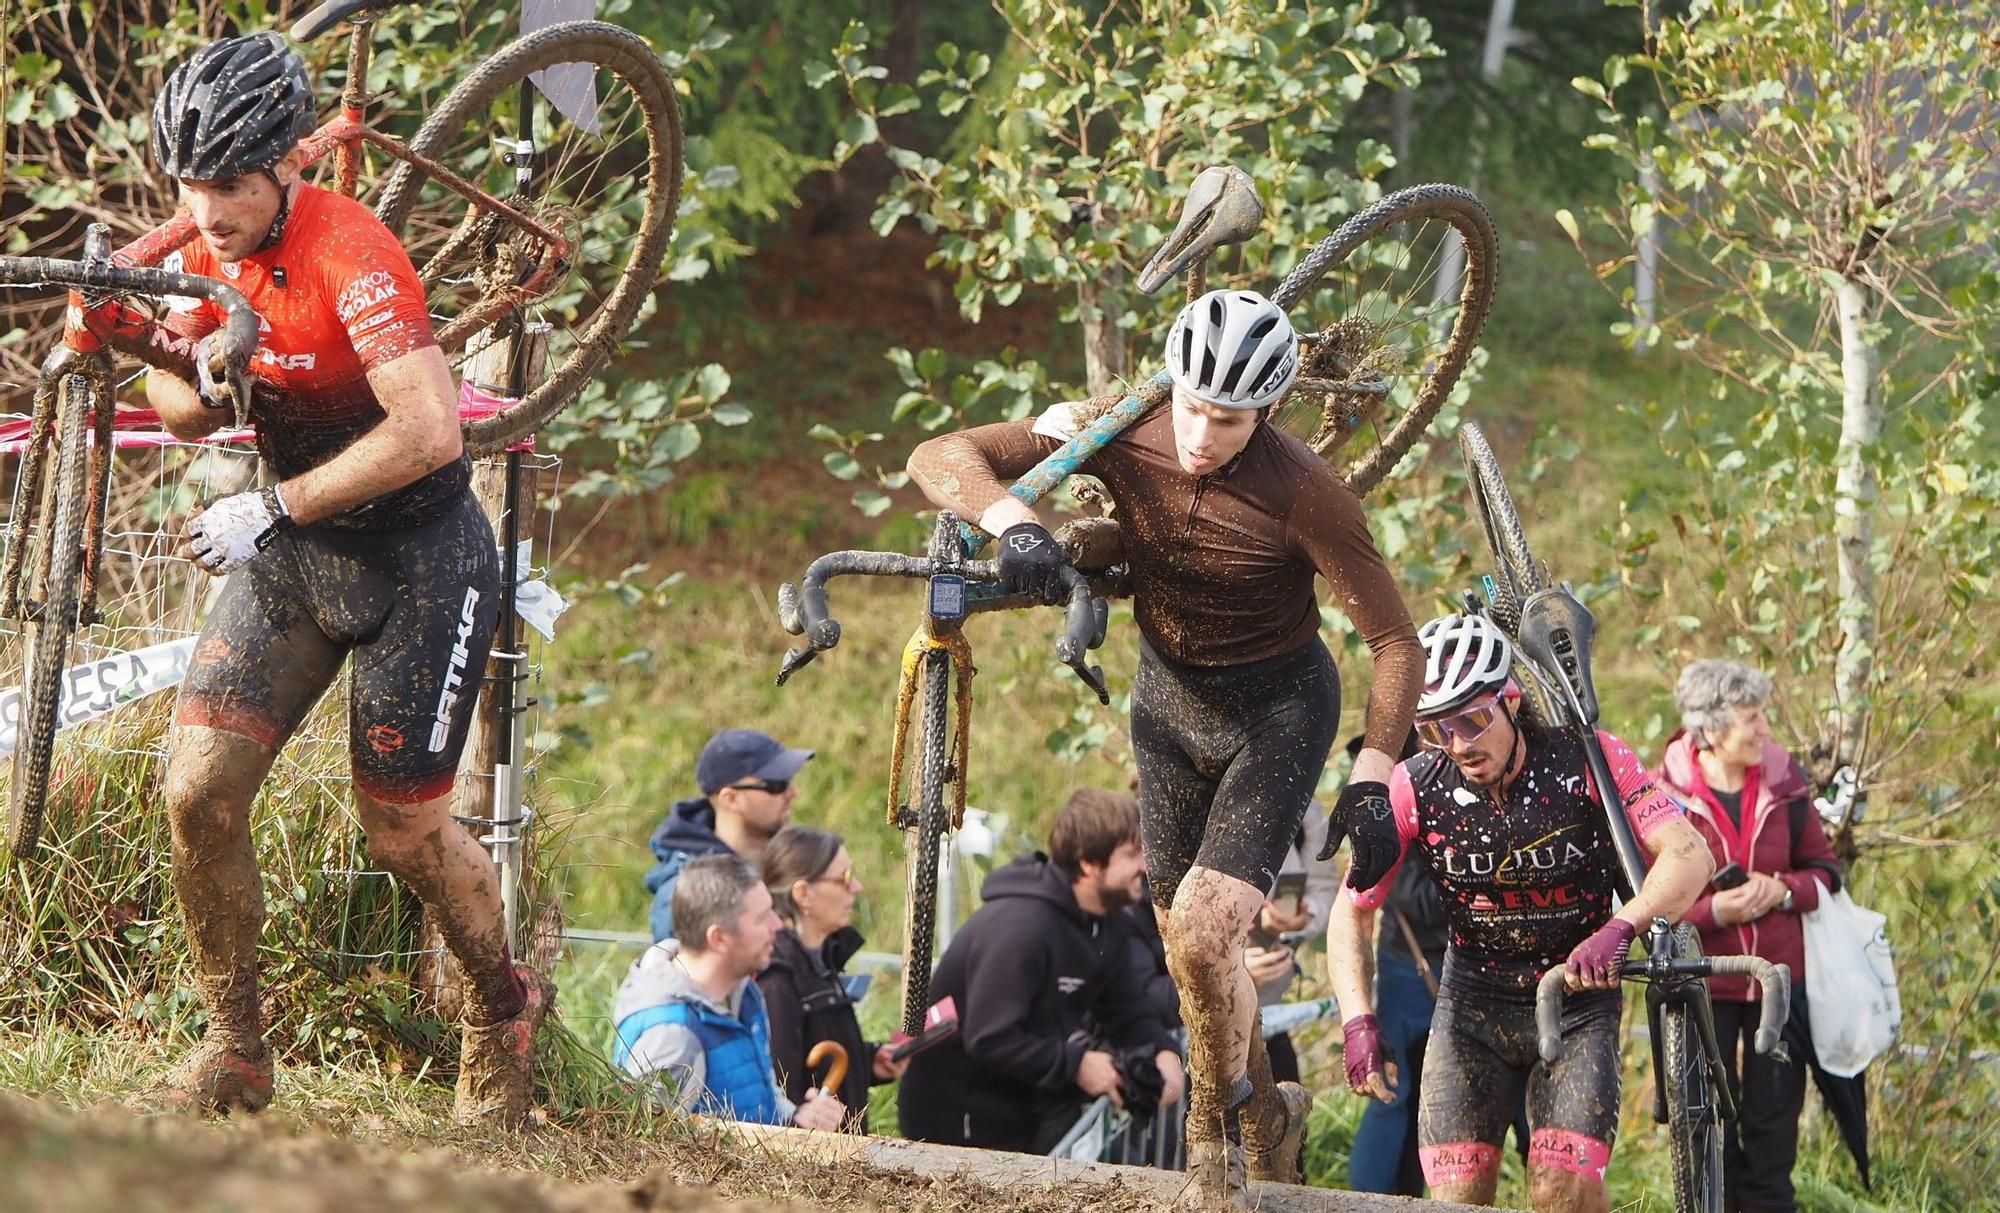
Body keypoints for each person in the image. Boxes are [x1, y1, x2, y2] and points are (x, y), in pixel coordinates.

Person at [86, 33, 545, 1123]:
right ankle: (236, 1050)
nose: (208, 213)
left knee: (402, 834)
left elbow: (431, 432)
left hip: (420, 558)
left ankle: (501, 1011)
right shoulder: (205, 248)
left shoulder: (356, 253)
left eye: (232, 186)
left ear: (287, 165)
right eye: (191, 187)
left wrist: (273, 503)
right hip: (294, 553)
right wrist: (186, 362)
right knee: (197, 794)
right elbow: (185, 415)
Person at [908, 288, 1421, 1201]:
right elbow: (940, 456)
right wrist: (1016, 524)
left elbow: (1395, 641)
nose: (1200, 434)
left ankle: (1213, 1142)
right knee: (1187, 953)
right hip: (1167, 704)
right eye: (1191, 406)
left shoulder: (1307, 490)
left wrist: (1374, 773)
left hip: (1279, 709)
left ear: (1265, 413)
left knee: (1207, 927)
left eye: (1228, 420)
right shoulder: (1121, 422)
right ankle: (1264, 1111)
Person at [1326, 613, 1715, 1213]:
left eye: (1473, 719)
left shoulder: (1587, 760)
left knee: (1561, 1192)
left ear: (1510, 700)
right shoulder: (1415, 784)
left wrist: (1622, 925)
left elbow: (1690, 856)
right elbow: (1351, 911)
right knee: (1456, 1197)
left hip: (1577, 999)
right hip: (1472, 1005)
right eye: (1436, 729)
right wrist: (1358, 1019)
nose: (1458, 743)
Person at [898, 788, 1186, 1154]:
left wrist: (1165, 1054)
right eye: (1131, 855)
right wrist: (1079, 1064)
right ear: (1089, 864)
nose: (1144, 865)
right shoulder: (1022, 928)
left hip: (1022, 1106)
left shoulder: (1104, 925)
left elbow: (1127, 1011)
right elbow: (989, 1037)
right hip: (957, 1117)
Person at [1655, 660, 1842, 1213]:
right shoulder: (1662, 795)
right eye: (1751, 718)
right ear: (1709, 729)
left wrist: (1782, 889)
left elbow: (1825, 872)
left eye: (1763, 715)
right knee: (1706, 1131)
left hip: (1780, 988)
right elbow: (1647, 901)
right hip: (1702, 987)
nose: (1765, 729)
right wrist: (1716, 910)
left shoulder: (1787, 782)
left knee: (1773, 1132)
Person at [612, 853, 846, 1130]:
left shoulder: (741, 990)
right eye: (762, 918)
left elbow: (757, 1102)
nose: (777, 925)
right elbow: (647, 1153)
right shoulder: (672, 1036)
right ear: (719, 938)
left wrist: (795, 1119)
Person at [755, 826, 909, 1130]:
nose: (857, 888)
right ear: (803, 894)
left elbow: (821, 1054)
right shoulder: (778, 980)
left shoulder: (820, 961)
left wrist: (870, 1060)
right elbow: (782, 1090)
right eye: (845, 879)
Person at [645, 729, 814, 941]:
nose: (792, 792)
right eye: (777, 785)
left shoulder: (792, 865)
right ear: (730, 799)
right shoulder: (688, 892)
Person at [1246, 799, 1339, 1086]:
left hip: (1269, 1013)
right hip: (1198, 1023)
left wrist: (1303, 916)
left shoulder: (1301, 803)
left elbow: (1324, 885)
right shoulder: (1191, 795)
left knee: (1285, 1117)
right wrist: (1228, 971)